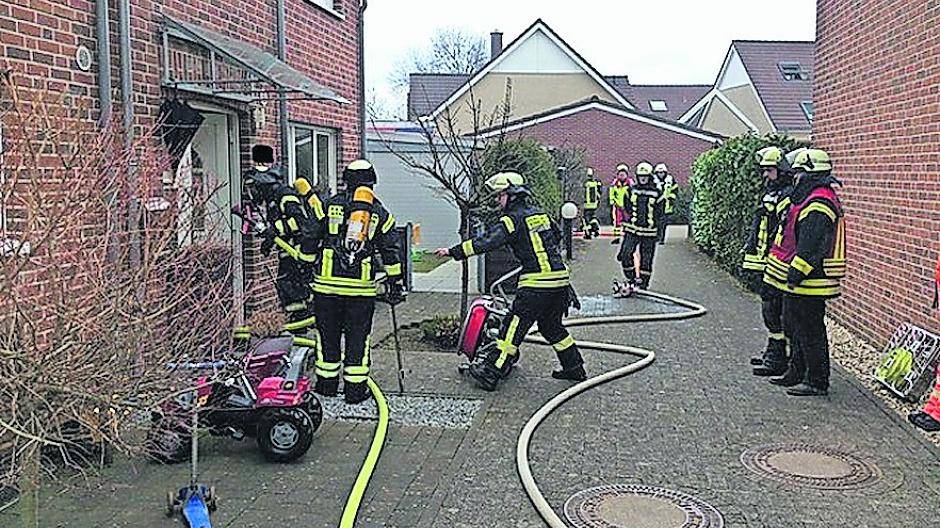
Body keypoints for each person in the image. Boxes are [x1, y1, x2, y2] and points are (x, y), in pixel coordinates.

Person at [435, 172, 585, 392]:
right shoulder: (540, 214)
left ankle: (491, 372)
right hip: (560, 281)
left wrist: (454, 251)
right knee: (551, 327)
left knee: (511, 329)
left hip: (536, 285)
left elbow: (487, 242)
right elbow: (557, 236)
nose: (497, 200)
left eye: (500, 196)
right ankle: (574, 367)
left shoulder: (511, 220)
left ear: (511, 195)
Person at [311, 160, 405, 404]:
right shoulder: (380, 213)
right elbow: (391, 252)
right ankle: (354, 391)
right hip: (360, 292)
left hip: (326, 289)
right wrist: (395, 284)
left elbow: (310, 237)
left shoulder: (327, 205)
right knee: (358, 339)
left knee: (327, 336)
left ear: (346, 181)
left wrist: (305, 266)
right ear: (372, 182)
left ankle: (326, 386)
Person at [764, 149, 846, 397]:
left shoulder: (819, 204)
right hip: (801, 282)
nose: (794, 178)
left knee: (811, 332)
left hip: (812, 281)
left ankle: (817, 380)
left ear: (811, 174)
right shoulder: (809, 199)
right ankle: (796, 372)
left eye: (799, 173)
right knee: (795, 327)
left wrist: (795, 273)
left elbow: (811, 246)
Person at [237, 144, 321, 350]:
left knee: (294, 295)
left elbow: (300, 222)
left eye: (254, 187)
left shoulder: (284, 195)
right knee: (289, 294)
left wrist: (273, 230)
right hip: (290, 254)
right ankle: (298, 337)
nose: (253, 193)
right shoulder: (274, 198)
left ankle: (300, 339)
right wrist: (270, 239)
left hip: (300, 255)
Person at [743, 147, 793, 376]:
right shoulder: (772, 192)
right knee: (769, 307)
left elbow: (782, 230)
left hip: (777, 260)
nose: (765, 176)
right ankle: (774, 352)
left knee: (775, 308)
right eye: (764, 171)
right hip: (766, 258)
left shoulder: (786, 195)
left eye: (770, 170)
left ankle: (779, 358)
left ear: (782, 170)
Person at [616, 161, 663, 292]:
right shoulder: (631, 191)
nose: (642, 178)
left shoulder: (657, 193)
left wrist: (658, 230)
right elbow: (627, 207)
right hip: (633, 230)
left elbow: (660, 213)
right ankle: (631, 279)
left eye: (645, 176)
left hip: (649, 232)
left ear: (649, 176)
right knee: (625, 254)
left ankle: (643, 284)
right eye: (640, 176)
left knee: (646, 260)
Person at [654, 163, 678, 244]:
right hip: (655, 205)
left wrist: (671, 198)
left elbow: (674, 189)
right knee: (655, 222)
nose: (661, 174)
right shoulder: (653, 180)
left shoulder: (670, 180)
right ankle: (656, 237)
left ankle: (662, 239)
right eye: (659, 173)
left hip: (666, 204)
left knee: (663, 224)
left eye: (662, 172)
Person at [608, 164, 630, 244]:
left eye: (623, 174)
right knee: (617, 223)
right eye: (620, 174)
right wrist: (612, 202)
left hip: (627, 207)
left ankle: (627, 237)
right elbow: (612, 194)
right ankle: (617, 238)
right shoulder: (614, 185)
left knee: (628, 222)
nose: (621, 176)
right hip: (617, 206)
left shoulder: (630, 184)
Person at [582, 167, 601, 239]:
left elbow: (583, 194)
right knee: (592, 218)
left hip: (586, 204)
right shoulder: (595, 183)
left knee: (586, 220)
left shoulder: (586, 184)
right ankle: (595, 229)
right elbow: (599, 193)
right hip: (594, 204)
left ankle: (588, 233)